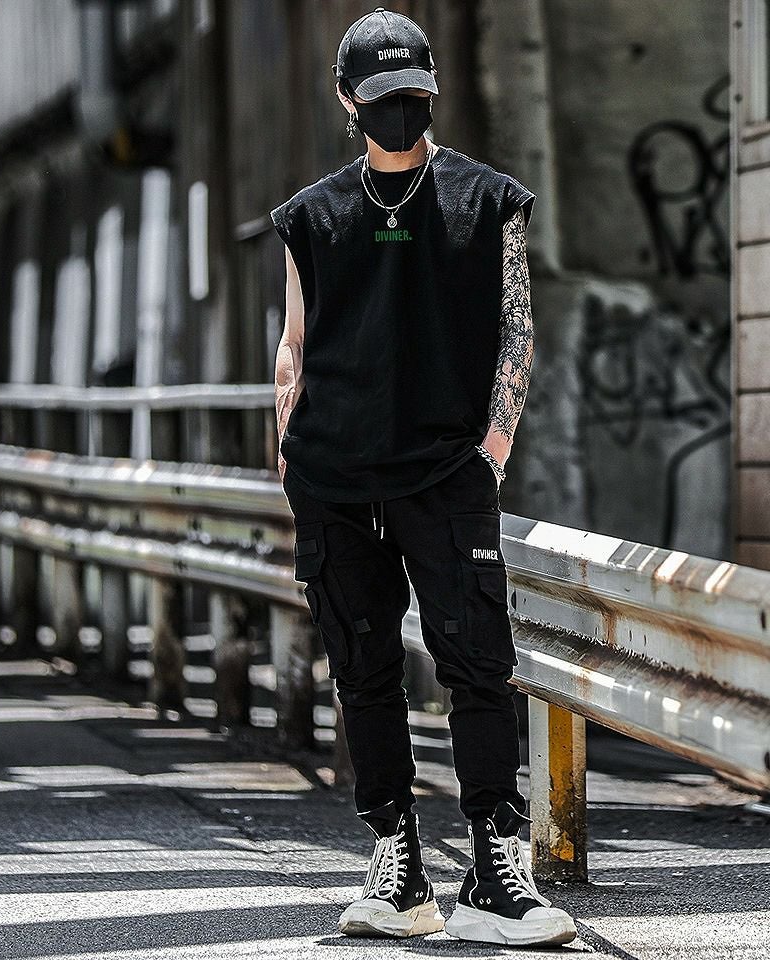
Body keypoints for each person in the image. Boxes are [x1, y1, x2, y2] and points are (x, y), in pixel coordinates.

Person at [269, 6, 577, 948]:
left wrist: (493, 449)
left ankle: (494, 868)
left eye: (411, 93)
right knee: (363, 672)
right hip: (335, 481)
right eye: (380, 95)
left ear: (432, 90)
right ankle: (397, 865)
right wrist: (290, 454)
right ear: (346, 100)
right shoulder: (312, 217)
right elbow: (294, 344)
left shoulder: (488, 200)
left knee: (478, 665)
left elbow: (516, 329)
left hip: (445, 475)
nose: (398, 108)